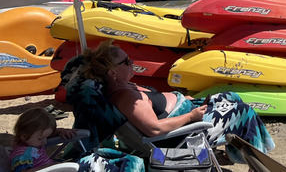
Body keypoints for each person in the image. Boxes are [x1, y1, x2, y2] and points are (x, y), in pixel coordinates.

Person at [76, 41, 274, 157]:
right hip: (184, 134)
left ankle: (236, 153)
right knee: (244, 110)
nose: (132, 63)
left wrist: (181, 98)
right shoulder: (125, 97)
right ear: (111, 72)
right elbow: (154, 129)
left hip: (186, 112)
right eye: (126, 62)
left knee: (232, 96)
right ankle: (255, 161)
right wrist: (191, 117)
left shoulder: (122, 86)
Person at [10, 108, 76, 172]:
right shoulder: (22, 154)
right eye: (40, 139)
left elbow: (48, 133)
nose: (44, 142)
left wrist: (61, 131)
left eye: (46, 137)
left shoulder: (32, 141)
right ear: (24, 136)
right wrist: (50, 167)